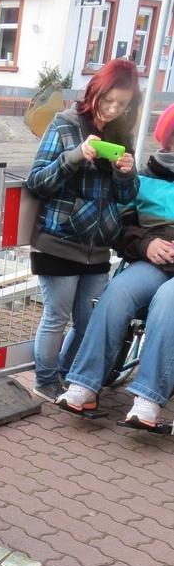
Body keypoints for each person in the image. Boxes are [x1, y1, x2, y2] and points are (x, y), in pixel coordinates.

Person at [26, 58, 140, 402]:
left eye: (122, 104)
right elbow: (37, 181)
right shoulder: (64, 124)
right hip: (58, 241)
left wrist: (126, 172)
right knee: (56, 317)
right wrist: (75, 156)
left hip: (98, 248)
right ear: (95, 92)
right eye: (108, 100)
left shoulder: (122, 135)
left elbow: (126, 197)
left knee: (89, 321)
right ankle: (45, 381)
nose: (113, 109)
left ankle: (66, 374)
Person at [57, 102, 174, 428]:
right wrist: (146, 243)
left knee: (168, 301)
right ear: (167, 137)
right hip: (150, 261)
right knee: (119, 291)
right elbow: (120, 227)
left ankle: (148, 400)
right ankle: (84, 385)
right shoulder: (145, 177)